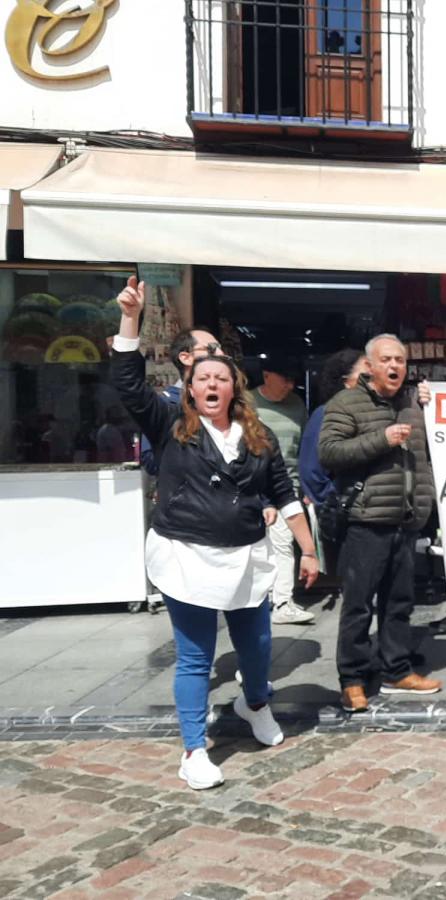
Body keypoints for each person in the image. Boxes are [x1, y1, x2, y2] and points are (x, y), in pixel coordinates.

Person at [110, 277, 318, 790]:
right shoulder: (168, 423)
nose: (211, 384)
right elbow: (129, 386)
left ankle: (255, 705)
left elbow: (284, 491)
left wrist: (309, 548)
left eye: (220, 377)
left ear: (232, 387)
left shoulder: (258, 435)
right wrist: (130, 320)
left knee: (257, 647)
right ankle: (193, 749)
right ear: (191, 384)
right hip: (185, 553)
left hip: (245, 555)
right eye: (203, 376)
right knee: (196, 656)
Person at [319, 334, 442, 712]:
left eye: (401, 361)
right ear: (370, 366)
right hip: (366, 521)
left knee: (400, 602)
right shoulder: (346, 402)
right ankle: (352, 680)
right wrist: (381, 439)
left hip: (405, 521)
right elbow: (329, 452)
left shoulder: (412, 403)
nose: (395, 367)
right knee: (358, 605)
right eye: (387, 360)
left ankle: (396, 670)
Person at [254, 354, 313, 626]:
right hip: (252, 486)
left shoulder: (297, 405)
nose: (289, 385)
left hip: (286, 487)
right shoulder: (247, 402)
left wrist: (304, 485)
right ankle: (257, 599)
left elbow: (302, 448)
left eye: (293, 380)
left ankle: (283, 602)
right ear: (267, 375)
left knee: (283, 543)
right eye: (284, 379)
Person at [298, 349, 370, 570]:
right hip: (350, 513)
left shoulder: (375, 412)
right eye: (366, 375)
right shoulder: (325, 414)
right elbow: (311, 470)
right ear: (346, 382)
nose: (373, 380)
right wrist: (337, 498)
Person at [140, 326, 223, 475]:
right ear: (186, 357)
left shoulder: (232, 403)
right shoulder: (166, 404)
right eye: (212, 348)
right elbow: (150, 460)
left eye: (220, 348)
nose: (221, 354)